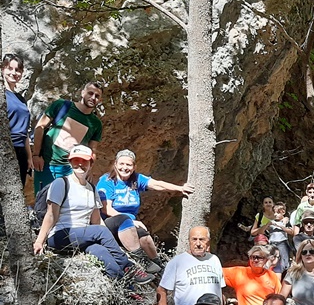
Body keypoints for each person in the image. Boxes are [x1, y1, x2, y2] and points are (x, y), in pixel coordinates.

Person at [32, 145, 153, 285]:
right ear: (70, 162)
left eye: (84, 161)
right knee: (100, 232)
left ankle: (127, 289)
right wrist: (39, 241)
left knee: (102, 253)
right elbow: (51, 215)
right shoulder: (61, 183)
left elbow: (96, 221)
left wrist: (112, 245)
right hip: (59, 236)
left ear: (91, 164)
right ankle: (129, 267)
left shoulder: (92, 189)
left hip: (82, 238)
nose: (80, 164)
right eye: (76, 160)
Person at [96, 149, 194, 273]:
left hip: (130, 225)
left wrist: (180, 188)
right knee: (126, 220)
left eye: (128, 165)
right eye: (121, 164)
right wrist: (131, 220)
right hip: (110, 224)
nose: (124, 168)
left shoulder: (135, 179)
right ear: (115, 164)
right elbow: (106, 208)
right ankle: (141, 259)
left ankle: (159, 266)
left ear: (134, 166)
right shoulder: (107, 181)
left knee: (144, 236)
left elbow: (158, 185)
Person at [31, 82, 103, 193]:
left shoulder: (96, 123)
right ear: (82, 93)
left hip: (70, 170)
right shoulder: (62, 106)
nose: (93, 97)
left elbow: (92, 149)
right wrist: (36, 155)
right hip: (45, 165)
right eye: (90, 93)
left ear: (100, 100)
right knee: (42, 203)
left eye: (97, 96)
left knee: (66, 207)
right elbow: (40, 127)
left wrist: (88, 169)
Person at [157, 226, 225, 305]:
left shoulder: (214, 260)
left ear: (208, 241)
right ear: (189, 241)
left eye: (202, 239)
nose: (198, 243)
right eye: (194, 239)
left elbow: (220, 292)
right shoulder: (177, 262)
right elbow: (161, 290)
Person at [3, 53, 32, 185]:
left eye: (18, 70)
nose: (14, 73)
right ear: (2, 69)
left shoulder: (21, 99)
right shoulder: (2, 95)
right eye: (10, 68)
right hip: (6, 149)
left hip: (21, 152)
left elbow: (24, 131)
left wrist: (29, 157)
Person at [266, 202, 293, 273]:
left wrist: (280, 226)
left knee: (284, 261)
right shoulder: (271, 222)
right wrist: (267, 225)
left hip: (282, 243)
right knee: (271, 260)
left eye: (277, 213)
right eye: (274, 212)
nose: (275, 214)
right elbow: (263, 230)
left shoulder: (286, 221)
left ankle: (285, 276)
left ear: (283, 212)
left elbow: (291, 231)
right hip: (272, 244)